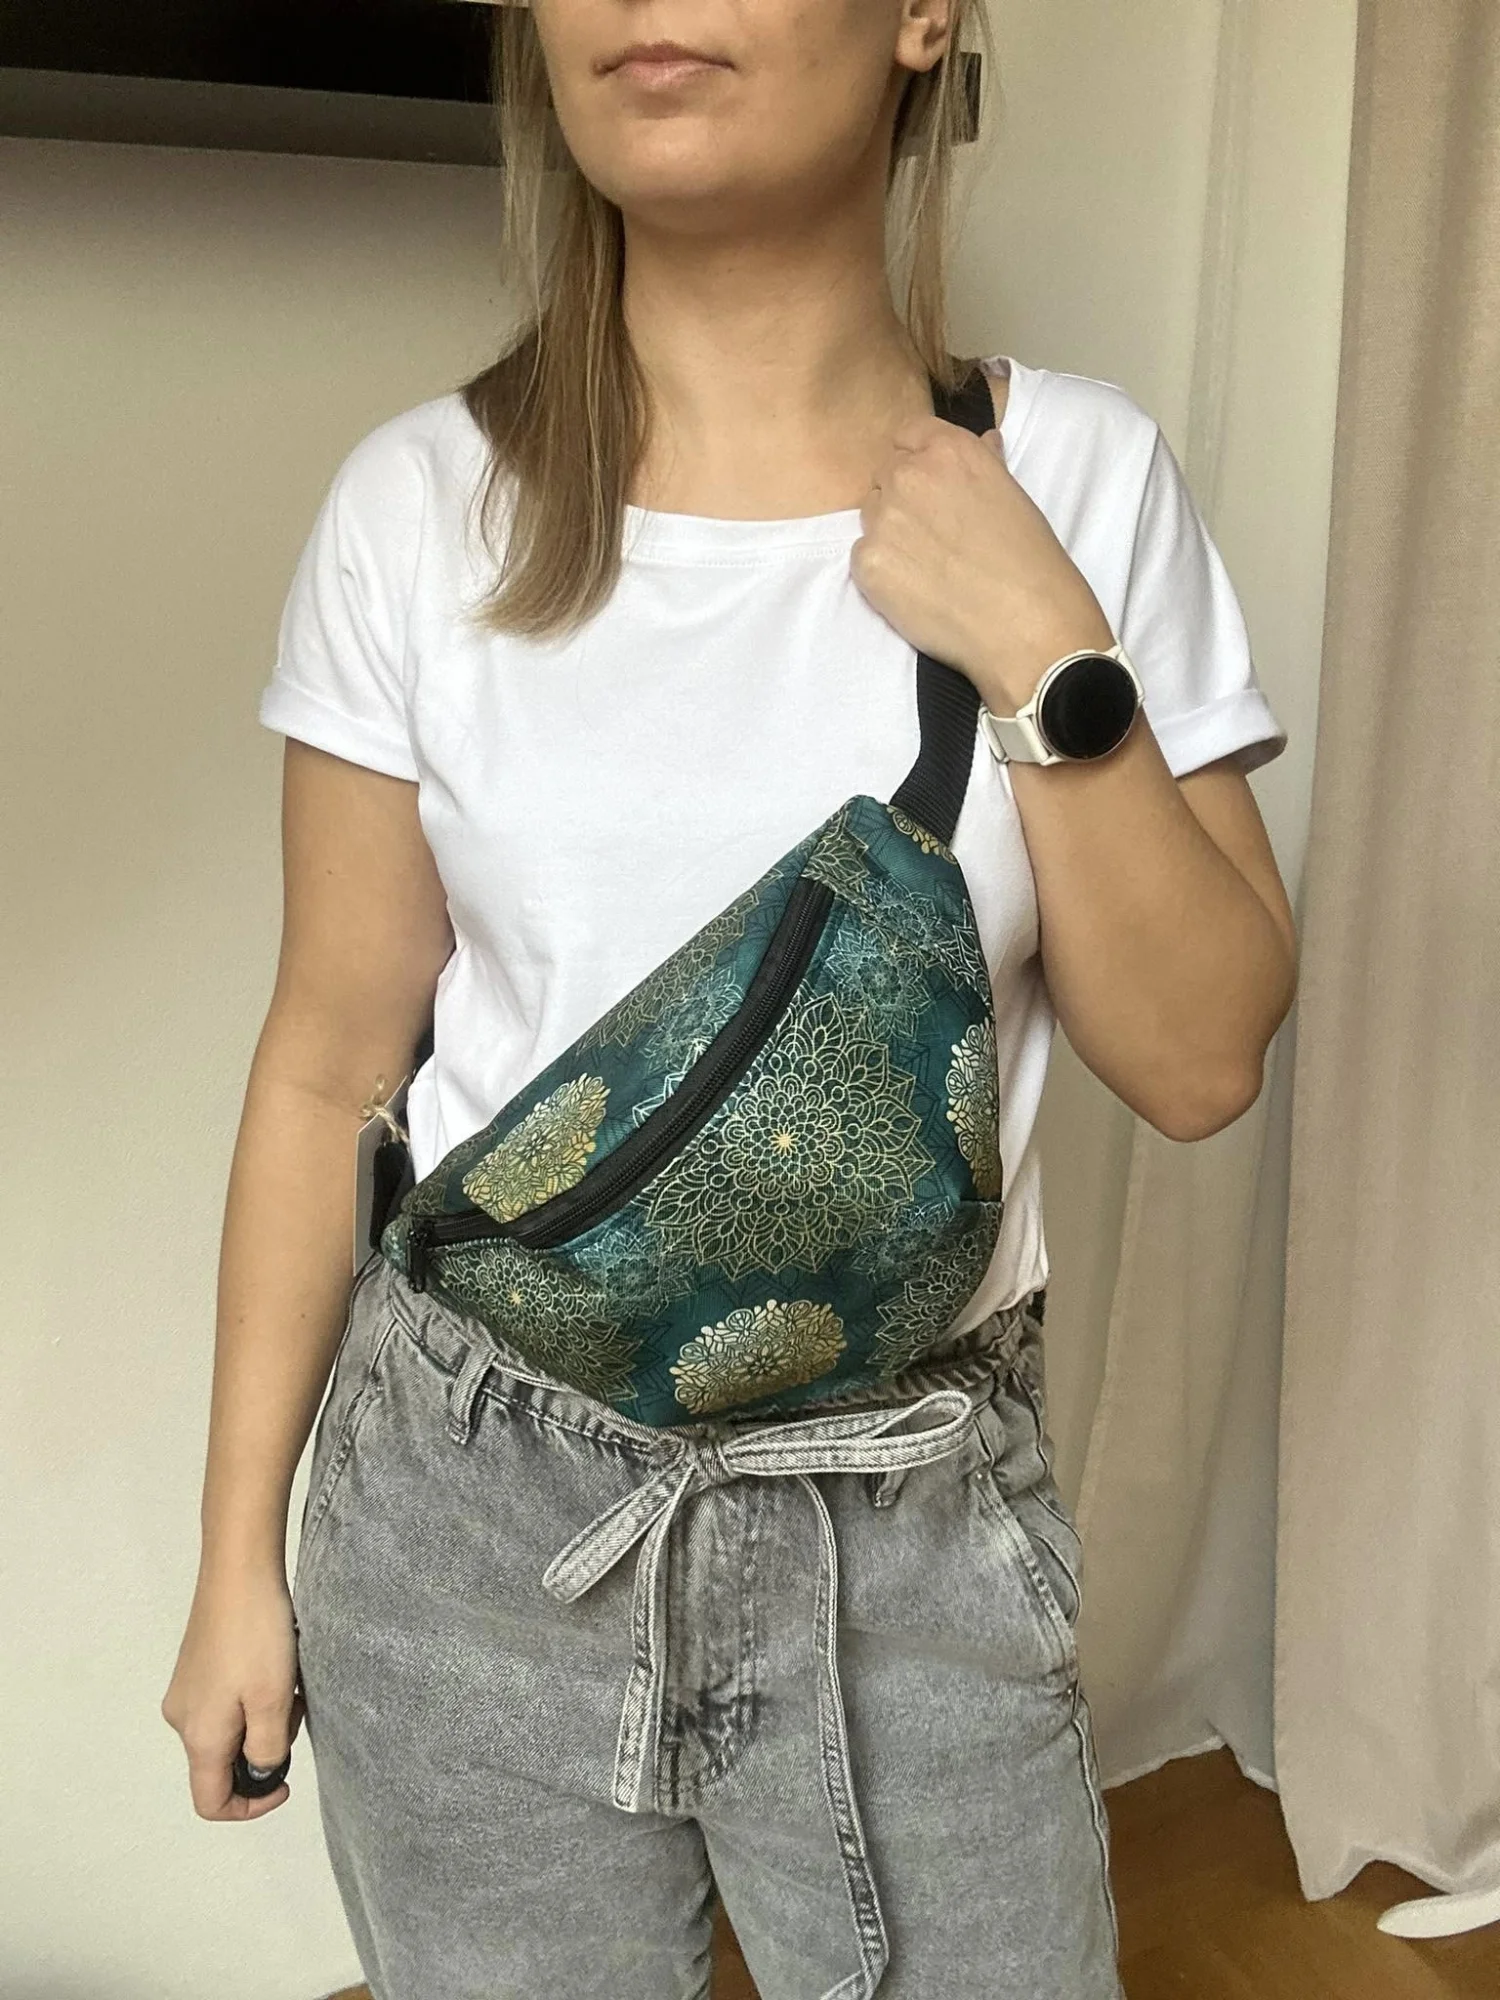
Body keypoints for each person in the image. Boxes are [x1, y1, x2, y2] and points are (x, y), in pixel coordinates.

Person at [162, 3, 1294, 1995]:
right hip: (464, 1518)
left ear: (924, 16)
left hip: (905, 1524)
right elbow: (328, 1066)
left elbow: (1201, 1058)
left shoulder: (1075, 475)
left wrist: (1043, 645)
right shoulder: (421, 506)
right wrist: (233, 1556)